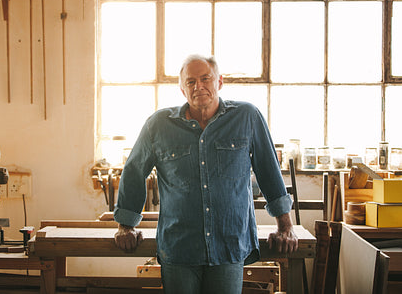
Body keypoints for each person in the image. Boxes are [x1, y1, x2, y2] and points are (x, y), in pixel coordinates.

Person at [113, 54, 298, 294]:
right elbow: (134, 171)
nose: (198, 86)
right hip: (179, 247)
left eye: (205, 79)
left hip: (229, 244)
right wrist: (126, 226)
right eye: (190, 82)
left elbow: (269, 170)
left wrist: (285, 226)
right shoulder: (158, 125)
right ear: (182, 90)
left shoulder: (247, 117)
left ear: (219, 82)